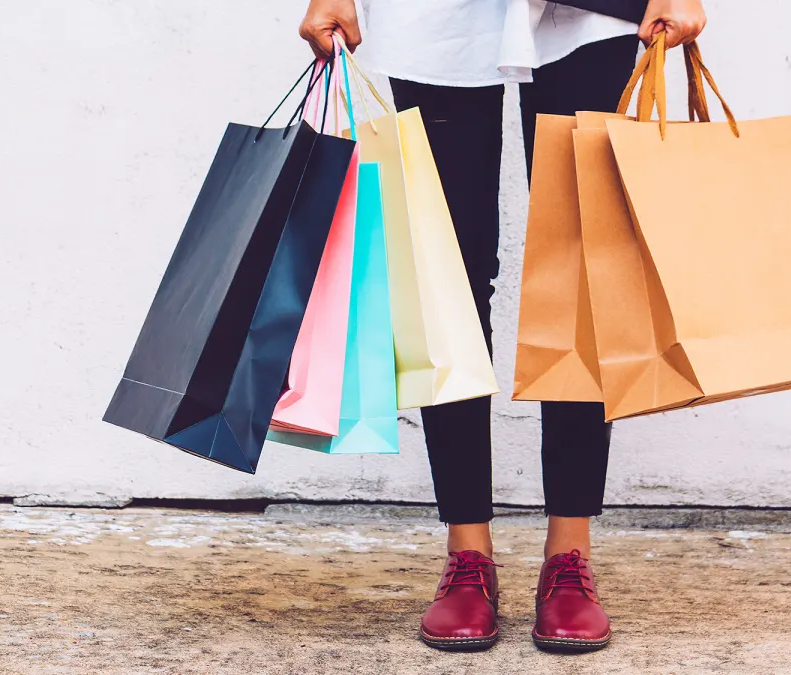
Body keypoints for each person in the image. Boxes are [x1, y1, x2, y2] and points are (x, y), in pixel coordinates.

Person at [298, 0, 707, 653]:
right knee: (446, 267)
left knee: (580, 263)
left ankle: (568, 556)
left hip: (593, 12)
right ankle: (468, 553)